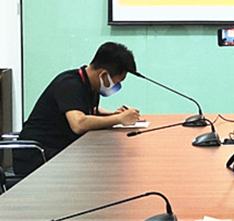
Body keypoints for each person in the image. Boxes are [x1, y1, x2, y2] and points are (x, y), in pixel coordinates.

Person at [13, 42, 141, 175]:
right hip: (38, 156)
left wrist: (112, 114)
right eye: (117, 82)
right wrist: (118, 119)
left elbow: (86, 110)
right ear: (103, 75)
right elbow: (78, 124)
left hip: (59, 151)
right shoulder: (69, 84)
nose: (116, 86)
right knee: (103, 168)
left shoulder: (89, 84)